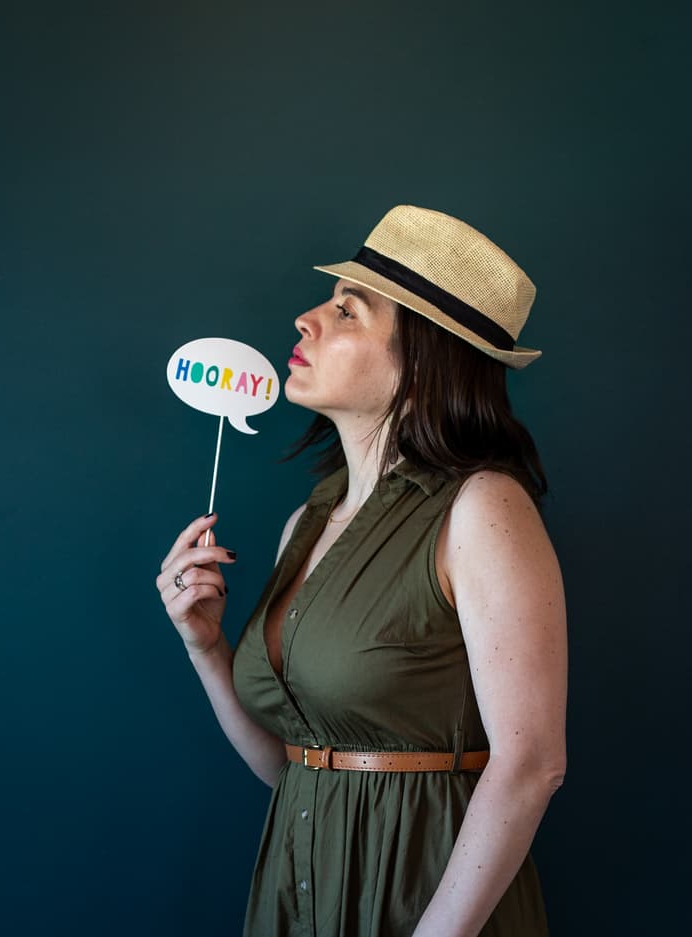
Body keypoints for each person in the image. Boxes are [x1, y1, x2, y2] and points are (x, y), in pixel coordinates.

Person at [156, 205, 567, 937]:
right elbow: (299, 765)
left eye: (347, 309)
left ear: (423, 358)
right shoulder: (307, 522)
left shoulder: (482, 509)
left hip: (429, 903)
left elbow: (532, 763)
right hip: (298, 895)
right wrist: (206, 648)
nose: (305, 320)